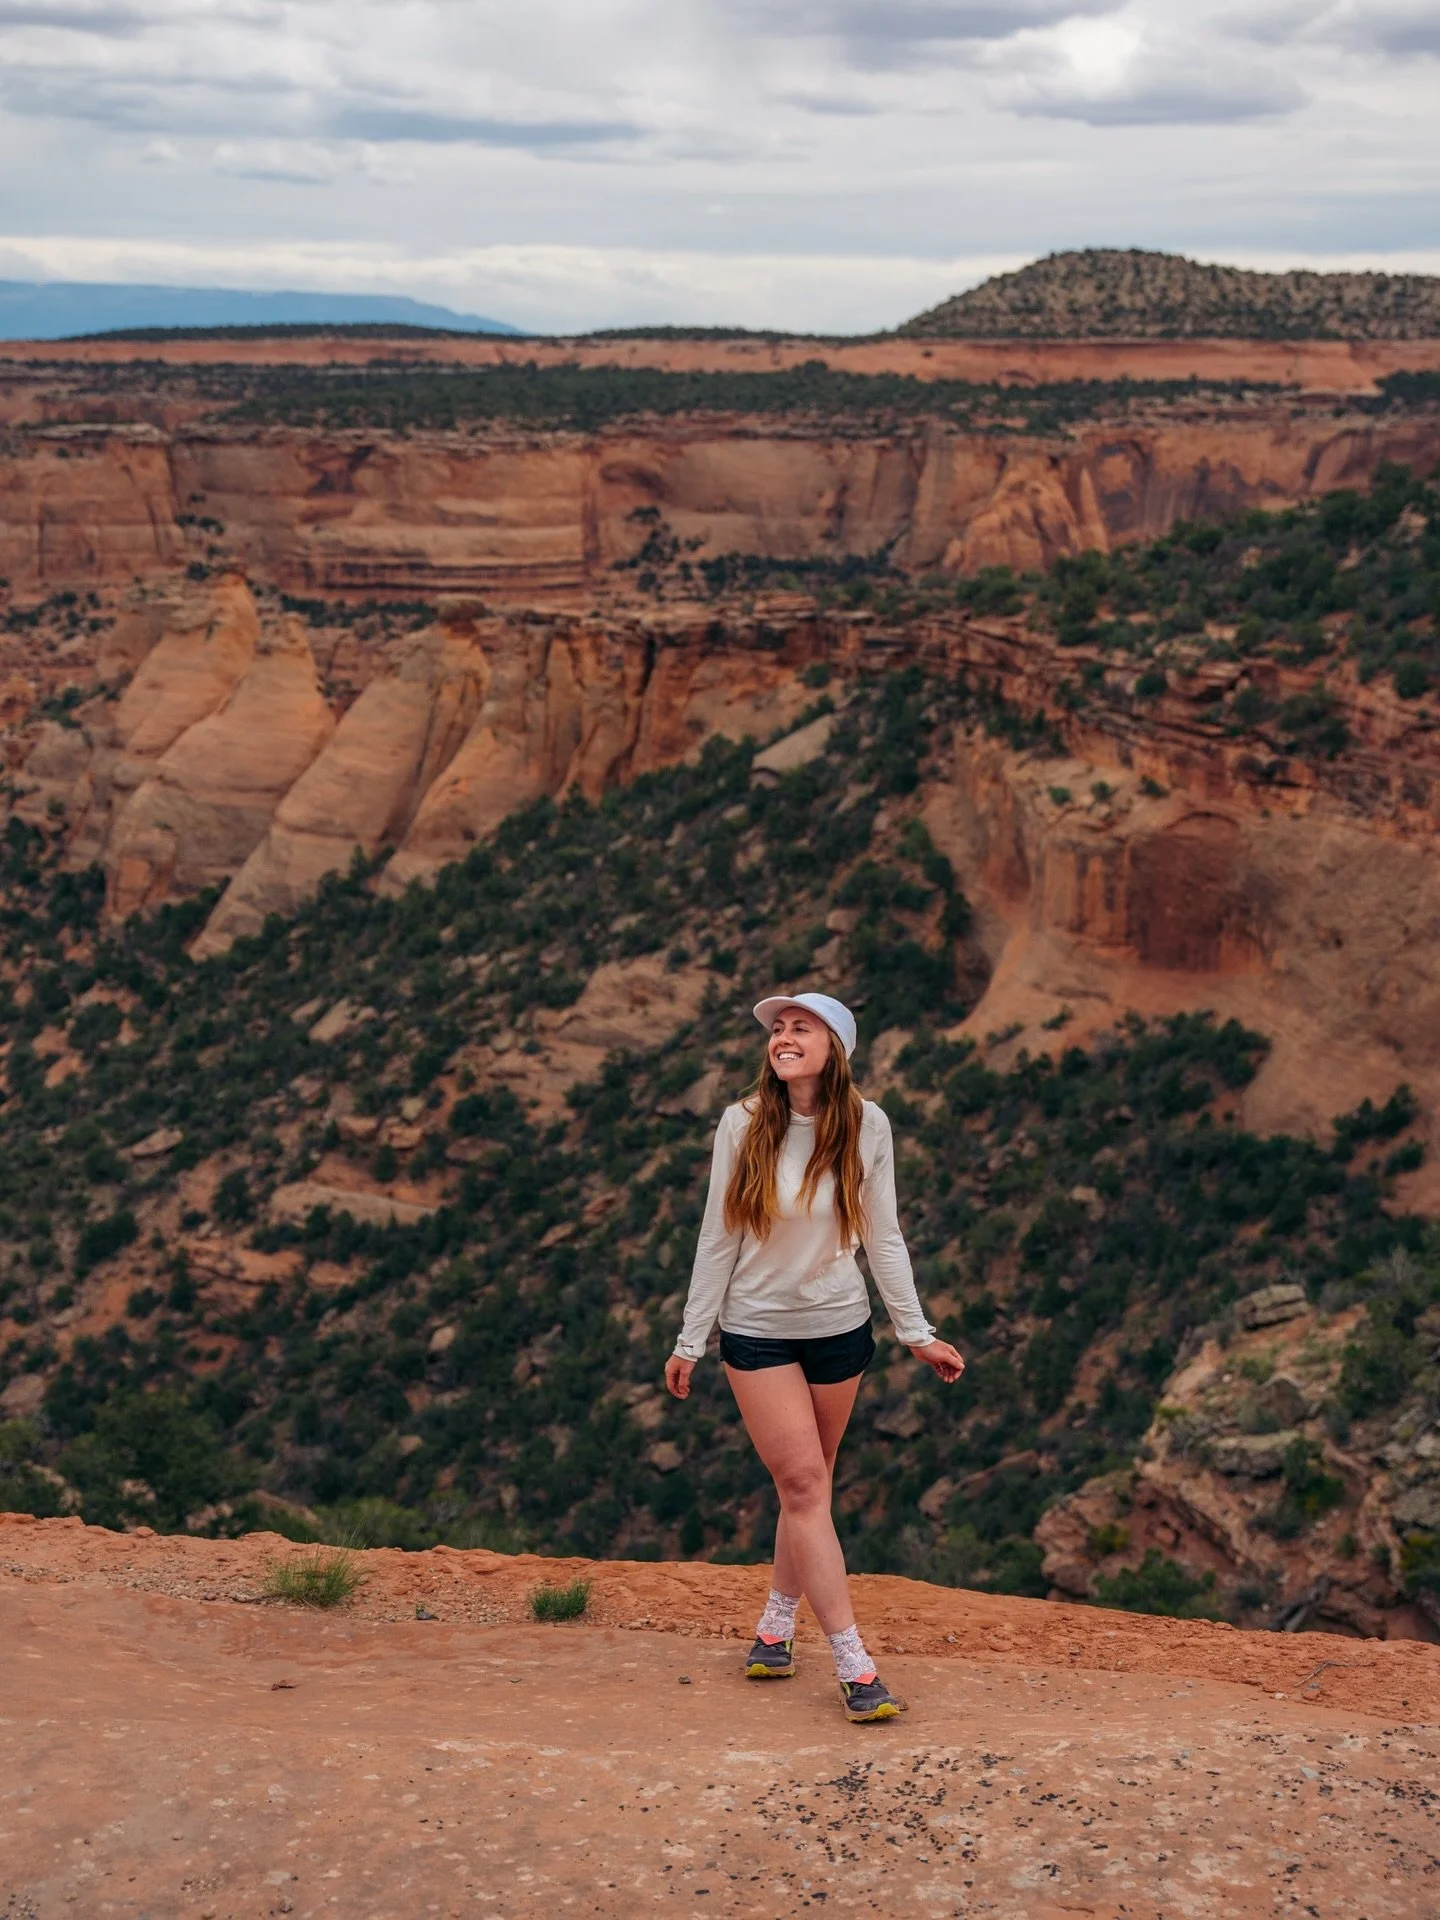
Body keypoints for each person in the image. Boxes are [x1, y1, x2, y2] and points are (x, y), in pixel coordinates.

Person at [664, 991, 965, 1724]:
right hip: (757, 1329)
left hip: (839, 1328)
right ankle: (856, 1667)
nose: (783, 1037)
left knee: (810, 1491)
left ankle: (775, 1628)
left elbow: (884, 1236)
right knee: (802, 1484)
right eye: (778, 1028)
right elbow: (717, 1235)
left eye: (801, 1027)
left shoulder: (867, 1124)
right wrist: (691, 1338)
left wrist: (915, 1331)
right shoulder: (742, 1123)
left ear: (836, 1047)